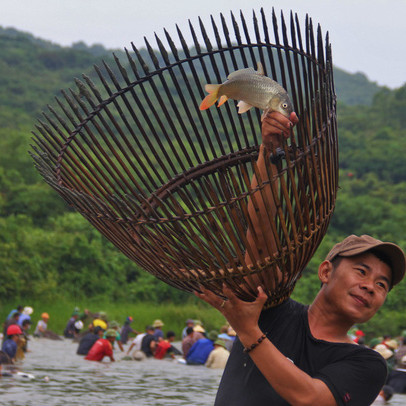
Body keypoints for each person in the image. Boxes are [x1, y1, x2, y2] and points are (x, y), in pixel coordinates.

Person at [195, 111, 406, 405]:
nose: (371, 286)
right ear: (325, 272)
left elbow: (310, 398)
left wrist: (248, 330)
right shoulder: (272, 309)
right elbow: (260, 232)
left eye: (382, 284)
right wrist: (270, 151)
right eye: (361, 271)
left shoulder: (367, 364)